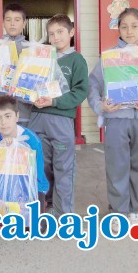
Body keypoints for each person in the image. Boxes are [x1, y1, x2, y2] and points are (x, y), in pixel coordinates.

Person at [88, 8, 138, 230]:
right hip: (117, 120)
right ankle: (119, 212)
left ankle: (135, 211)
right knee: (117, 168)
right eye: (124, 26)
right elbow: (93, 84)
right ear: (118, 29)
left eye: (134, 26)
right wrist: (100, 106)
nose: (129, 31)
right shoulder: (109, 56)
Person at [28, 14, 88, 217]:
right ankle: (46, 208)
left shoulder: (76, 60)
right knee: (40, 167)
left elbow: (79, 92)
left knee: (63, 168)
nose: (55, 37)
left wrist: (54, 101)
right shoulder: (41, 57)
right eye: (51, 34)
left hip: (61, 119)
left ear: (71, 32)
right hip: (37, 117)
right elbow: (29, 83)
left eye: (60, 32)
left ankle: (65, 215)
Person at [0, 95, 49, 232]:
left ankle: (33, 213)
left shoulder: (31, 140)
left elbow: (36, 175)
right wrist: (1, 150)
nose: (3, 122)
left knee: (36, 229)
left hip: (31, 186)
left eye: (8, 116)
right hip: (3, 187)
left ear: (17, 116)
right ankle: (4, 218)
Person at [0, 3, 33, 136]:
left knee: (22, 153)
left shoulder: (32, 50)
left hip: (23, 114)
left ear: (24, 23)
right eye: (8, 19)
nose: (12, 24)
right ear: (3, 22)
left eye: (17, 20)